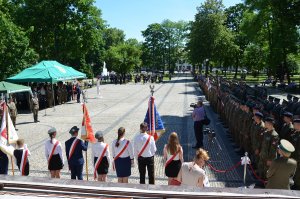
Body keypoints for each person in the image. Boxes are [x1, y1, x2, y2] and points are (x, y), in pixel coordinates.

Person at [291, 119, 300, 190]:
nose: (293, 125)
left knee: (298, 172)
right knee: (295, 171)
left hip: (298, 157)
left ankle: (298, 186)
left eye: (295, 124)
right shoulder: (295, 133)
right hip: (294, 156)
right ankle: (296, 183)